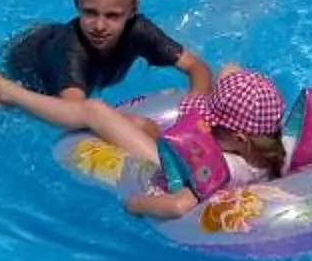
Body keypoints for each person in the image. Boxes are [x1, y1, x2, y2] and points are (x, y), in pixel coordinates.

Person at [0, 0, 211, 133]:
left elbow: (196, 67)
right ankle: (1, 88)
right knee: (4, 93)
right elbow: (78, 113)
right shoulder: (72, 51)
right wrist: (135, 124)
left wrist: (194, 112)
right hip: (29, 56)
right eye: (90, 13)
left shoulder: (139, 30)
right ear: (76, 3)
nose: (100, 26)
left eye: (113, 16)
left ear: (132, 10)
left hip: (49, 38)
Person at [83, 65, 287, 220]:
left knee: (97, 112)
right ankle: (150, 130)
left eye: (211, 125)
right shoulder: (278, 147)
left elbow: (179, 205)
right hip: (245, 163)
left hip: (169, 168)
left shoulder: (222, 168)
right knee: (229, 68)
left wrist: (134, 204)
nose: (203, 125)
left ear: (239, 140)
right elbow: (231, 71)